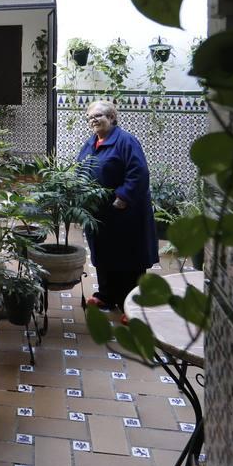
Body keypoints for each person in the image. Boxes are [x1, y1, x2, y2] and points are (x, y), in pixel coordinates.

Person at [76, 99, 158, 318]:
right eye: (90, 118)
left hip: (124, 214)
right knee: (103, 254)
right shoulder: (92, 142)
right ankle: (106, 295)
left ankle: (131, 307)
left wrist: (122, 197)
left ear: (111, 117)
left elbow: (138, 172)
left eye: (98, 116)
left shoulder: (126, 141)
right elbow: (80, 169)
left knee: (128, 259)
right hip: (100, 214)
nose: (93, 120)